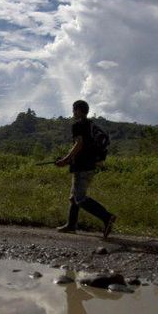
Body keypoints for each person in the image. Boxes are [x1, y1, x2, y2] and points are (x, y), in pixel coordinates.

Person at [55, 100, 116, 239]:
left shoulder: (77, 125)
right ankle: (71, 225)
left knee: (79, 198)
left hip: (81, 166)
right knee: (73, 197)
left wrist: (65, 159)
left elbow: (79, 144)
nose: (73, 112)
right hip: (90, 166)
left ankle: (107, 217)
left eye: (74, 109)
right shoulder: (90, 125)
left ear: (79, 110)